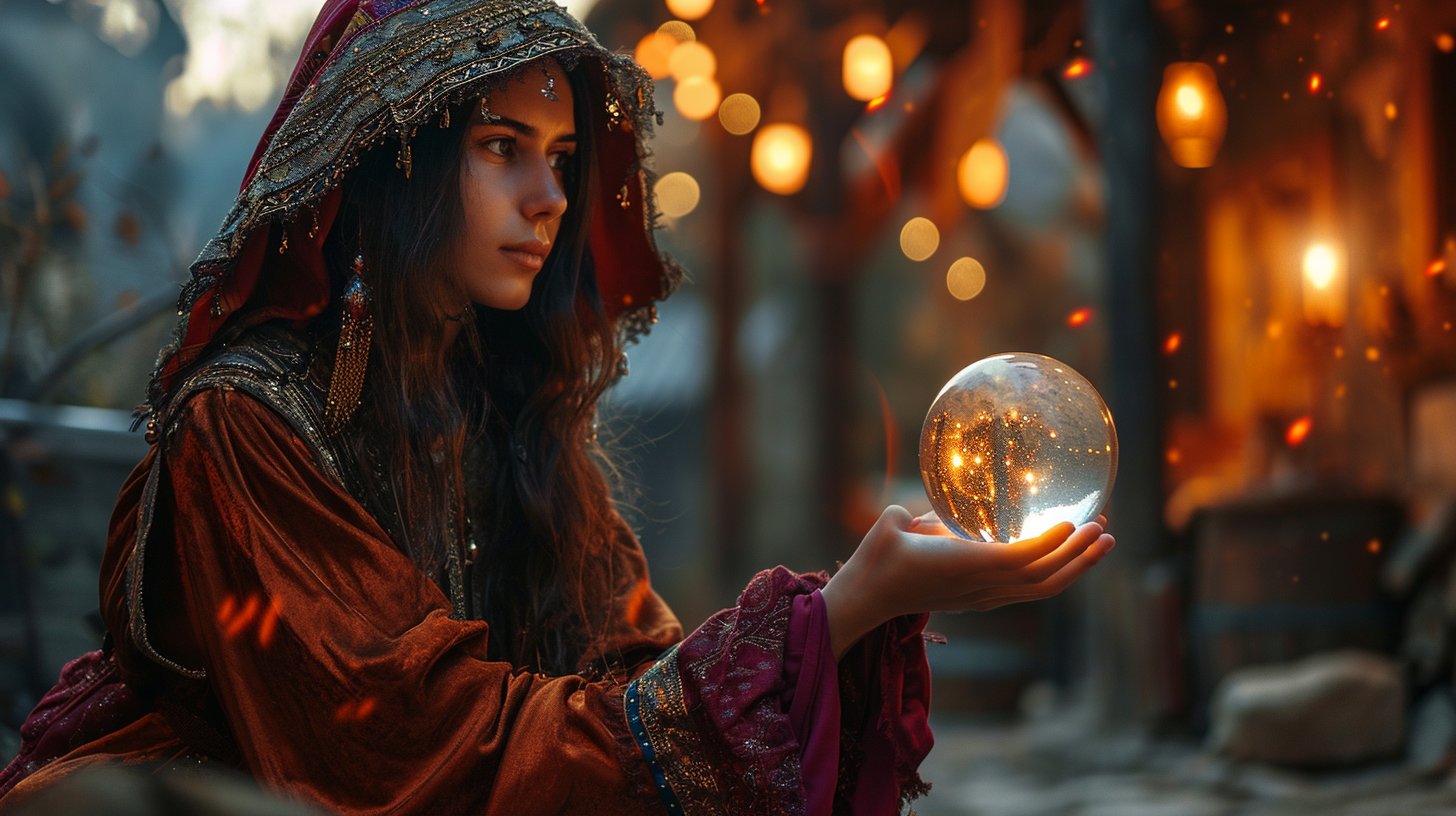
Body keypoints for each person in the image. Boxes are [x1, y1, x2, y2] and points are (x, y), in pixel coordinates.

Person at [0, 0, 1115, 813]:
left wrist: (850, 613)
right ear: (389, 169)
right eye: (501, 150)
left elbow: (629, 684)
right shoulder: (244, 429)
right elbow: (407, 752)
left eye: (566, 158)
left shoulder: (508, 414)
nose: (549, 200)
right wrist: (833, 614)